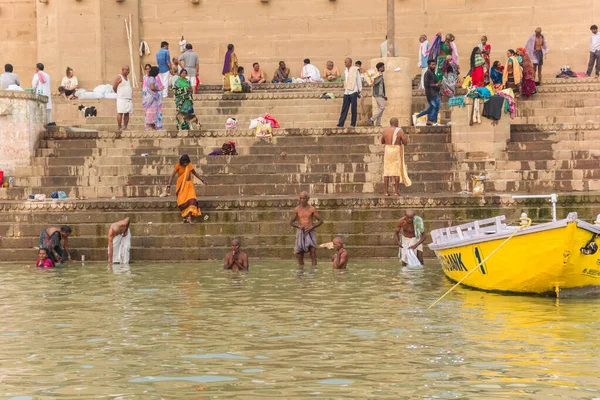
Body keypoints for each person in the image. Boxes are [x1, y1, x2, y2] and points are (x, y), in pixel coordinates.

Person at [166, 154, 206, 224]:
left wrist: (202, 180)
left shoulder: (189, 165)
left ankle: (189, 218)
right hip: (181, 187)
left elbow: (195, 173)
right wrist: (169, 185)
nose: (185, 164)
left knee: (192, 200)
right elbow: (172, 176)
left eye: (186, 162)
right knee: (182, 202)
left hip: (189, 186)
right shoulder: (177, 166)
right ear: (181, 162)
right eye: (183, 162)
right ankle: (185, 217)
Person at [289, 191, 323, 266]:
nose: (302, 200)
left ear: (308, 199)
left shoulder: (312, 209)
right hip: (300, 232)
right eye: (300, 198)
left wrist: (312, 226)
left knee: (313, 253)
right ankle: (301, 272)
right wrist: (298, 226)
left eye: (304, 198)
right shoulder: (296, 209)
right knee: (300, 254)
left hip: (310, 232)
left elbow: (321, 221)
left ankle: (314, 271)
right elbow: (291, 222)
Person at [381, 117, 411, 196]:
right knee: (396, 171)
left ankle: (386, 192)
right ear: (396, 123)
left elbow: (382, 141)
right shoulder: (399, 131)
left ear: (390, 123)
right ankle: (396, 192)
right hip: (396, 150)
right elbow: (405, 142)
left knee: (386, 171)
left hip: (388, 149)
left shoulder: (385, 131)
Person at [336, 57, 362, 128]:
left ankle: (352, 124)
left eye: (346, 62)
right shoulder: (345, 71)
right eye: (344, 62)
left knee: (353, 108)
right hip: (347, 91)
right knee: (344, 108)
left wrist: (360, 89)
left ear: (350, 62)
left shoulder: (355, 69)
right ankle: (341, 123)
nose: (345, 63)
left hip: (354, 91)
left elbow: (358, 79)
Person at [414, 60, 441, 126]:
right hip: (431, 94)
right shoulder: (427, 73)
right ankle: (432, 120)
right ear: (429, 65)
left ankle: (418, 117)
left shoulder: (433, 73)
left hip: (434, 93)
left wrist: (439, 84)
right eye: (432, 65)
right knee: (436, 106)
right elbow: (426, 84)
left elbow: (435, 82)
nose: (434, 66)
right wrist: (436, 85)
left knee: (430, 109)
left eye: (435, 65)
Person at [112, 65, 132, 131]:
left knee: (127, 113)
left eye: (128, 70)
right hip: (121, 98)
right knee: (120, 112)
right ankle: (119, 127)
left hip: (128, 98)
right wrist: (117, 92)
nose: (128, 71)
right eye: (126, 70)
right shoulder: (119, 77)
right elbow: (114, 86)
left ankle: (125, 127)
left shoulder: (128, 79)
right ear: (123, 70)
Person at [142, 66, 162, 130]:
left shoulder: (153, 78)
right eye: (157, 72)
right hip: (151, 98)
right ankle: (148, 125)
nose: (158, 73)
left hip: (154, 98)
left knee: (154, 112)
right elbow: (152, 88)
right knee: (150, 112)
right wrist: (159, 89)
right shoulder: (151, 79)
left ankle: (153, 125)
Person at [370, 62, 386, 126]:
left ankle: (378, 124)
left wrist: (384, 95)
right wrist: (379, 77)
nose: (384, 68)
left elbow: (382, 86)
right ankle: (372, 119)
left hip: (381, 94)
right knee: (382, 108)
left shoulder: (380, 75)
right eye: (383, 67)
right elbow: (375, 82)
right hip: (378, 94)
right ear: (379, 68)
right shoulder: (378, 75)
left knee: (380, 110)